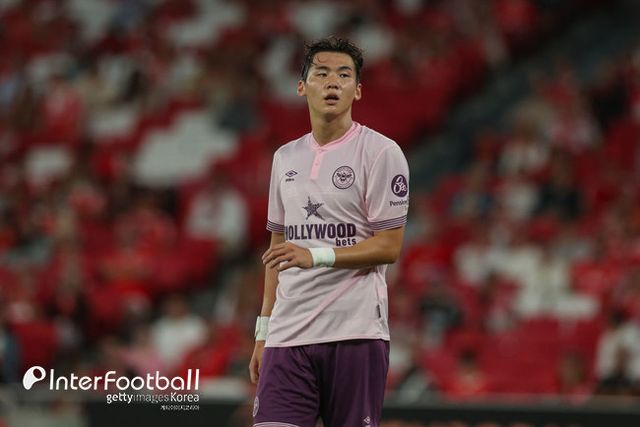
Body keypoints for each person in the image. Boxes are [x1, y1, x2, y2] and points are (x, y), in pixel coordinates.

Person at [249, 36, 410, 427]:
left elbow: (389, 247)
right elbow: (277, 250)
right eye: (321, 73)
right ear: (302, 86)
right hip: (288, 336)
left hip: (354, 332)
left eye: (344, 74)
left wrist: (316, 256)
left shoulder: (382, 153)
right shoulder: (285, 157)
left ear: (358, 90)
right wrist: (263, 331)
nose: (333, 82)